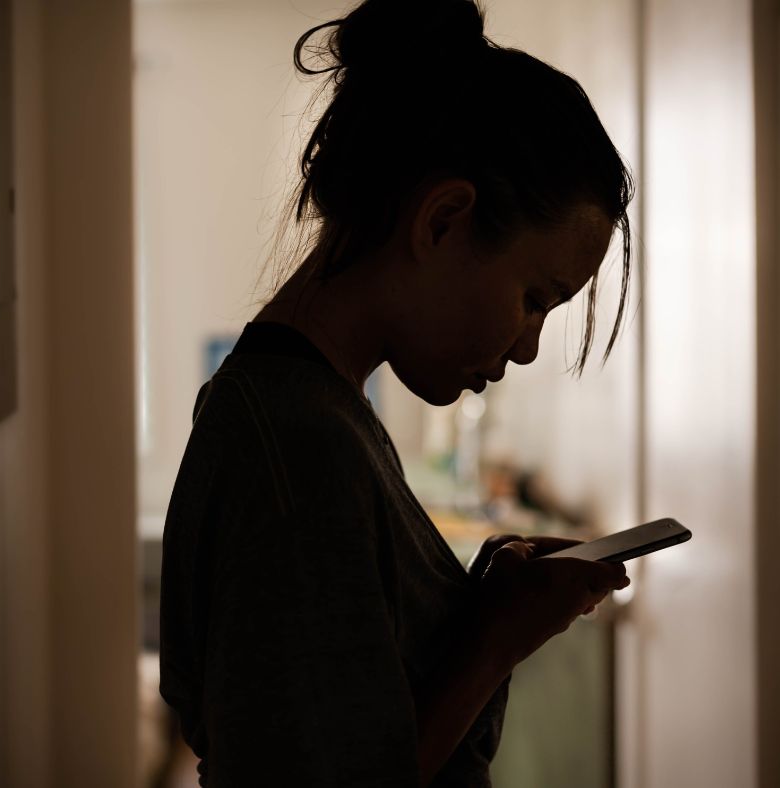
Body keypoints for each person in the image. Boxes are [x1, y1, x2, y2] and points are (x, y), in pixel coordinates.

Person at [158, 1, 633, 785]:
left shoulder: (316, 412)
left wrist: (485, 607)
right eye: (535, 297)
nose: (527, 346)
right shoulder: (299, 444)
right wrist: (494, 643)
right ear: (443, 221)